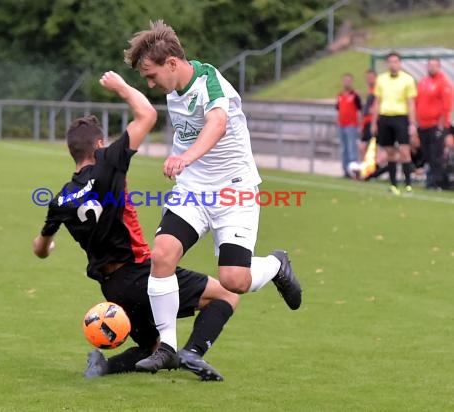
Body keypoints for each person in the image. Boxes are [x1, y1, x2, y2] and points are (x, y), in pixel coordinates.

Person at [33, 71, 240, 381]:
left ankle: (104, 366)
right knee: (227, 294)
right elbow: (147, 114)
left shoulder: (60, 200)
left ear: (71, 152)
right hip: (141, 273)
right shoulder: (108, 163)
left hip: (111, 288)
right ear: (100, 144)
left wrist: (49, 245)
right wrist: (120, 87)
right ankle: (193, 351)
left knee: (153, 349)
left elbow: (40, 248)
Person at [123, 20, 302, 373]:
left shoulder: (212, 83)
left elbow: (217, 124)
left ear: (172, 63)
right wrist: (187, 166)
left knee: (235, 279)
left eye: (151, 74)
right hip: (192, 190)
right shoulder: (174, 90)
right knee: (162, 255)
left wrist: (185, 157)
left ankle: (276, 265)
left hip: (234, 191)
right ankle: (168, 348)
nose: (150, 83)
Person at [370, 52, 418, 195]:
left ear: (400, 63)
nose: (393, 64)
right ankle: (393, 185)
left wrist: (412, 123)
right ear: (387, 64)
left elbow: (411, 103)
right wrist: (374, 122)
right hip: (385, 117)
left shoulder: (408, 80)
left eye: (396, 62)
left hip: (400, 117)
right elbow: (377, 101)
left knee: (404, 151)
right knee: (390, 152)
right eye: (390, 62)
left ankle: (408, 184)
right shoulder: (381, 80)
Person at [415, 58, 453, 190]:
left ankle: (437, 182)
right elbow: (417, 102)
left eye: (434, 65)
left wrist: (441, 126)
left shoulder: (443, 83)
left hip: (436, 125)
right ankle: (430, 179)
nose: (431, 68)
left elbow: (446, 107)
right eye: (429, 65)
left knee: (436, 154)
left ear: (439, 67)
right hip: (423, 125)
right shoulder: (422, 82)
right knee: (427, 154)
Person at [336, 73, 362, 178]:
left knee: (352, 149)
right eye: (345, 80)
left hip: (351, 125)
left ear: (351, 81)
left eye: (348, 80)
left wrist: (359, 125)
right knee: (344, 149)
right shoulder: (340, 96)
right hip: (341, 125)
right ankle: (345, 171)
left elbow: (359, 110)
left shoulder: (355, 95)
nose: (347, 82)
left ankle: (353, 171)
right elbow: (338, 110)